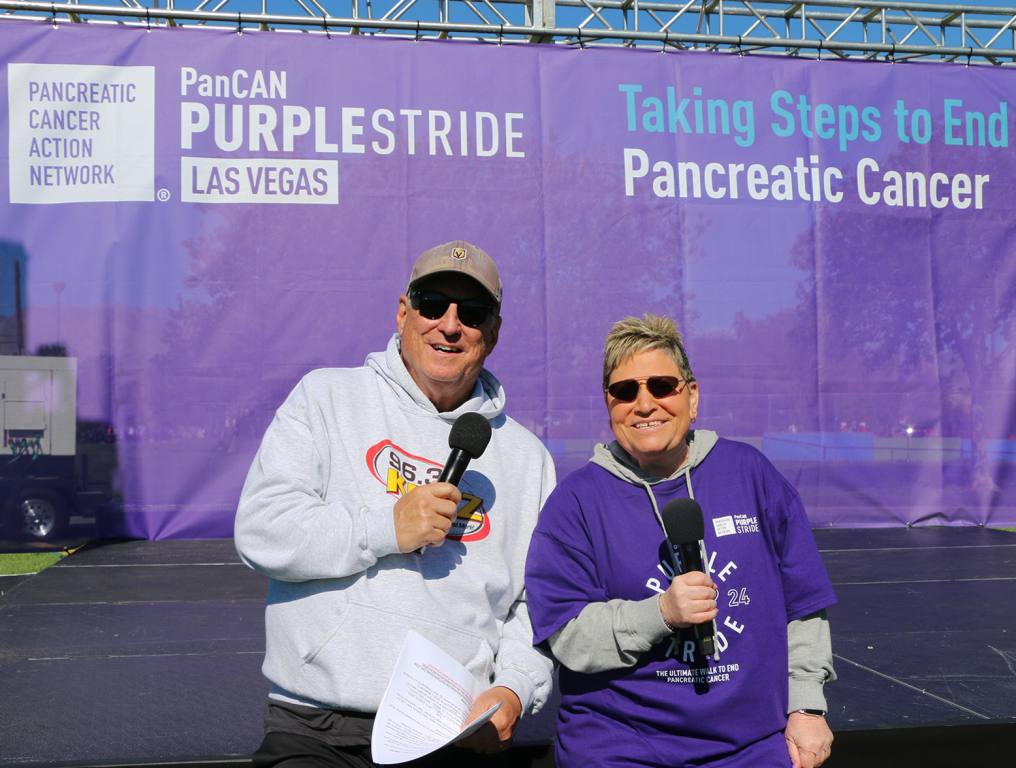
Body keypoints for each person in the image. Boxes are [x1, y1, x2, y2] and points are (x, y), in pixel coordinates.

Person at [235, 240, 555, 767]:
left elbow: (534, 605)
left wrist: (516, 689)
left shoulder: (528, 459)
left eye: (471, 314)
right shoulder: (326, 399)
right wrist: (386, 527)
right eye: (433, 304)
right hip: (319, 727)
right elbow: (263, 531)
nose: (449, 325)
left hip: (453, 733)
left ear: (492, 334)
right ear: (403, 312)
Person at [525, 314, 837, 768]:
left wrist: (807, 705)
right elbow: (568, 636)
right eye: (625, 391)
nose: (644, 403)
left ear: (692, 396)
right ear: (608, 404)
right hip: (619, 745)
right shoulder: (575, 503)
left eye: (662, 386)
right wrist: (661, 613)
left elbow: (803, 605)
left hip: (747, 746)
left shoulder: (751, 475)